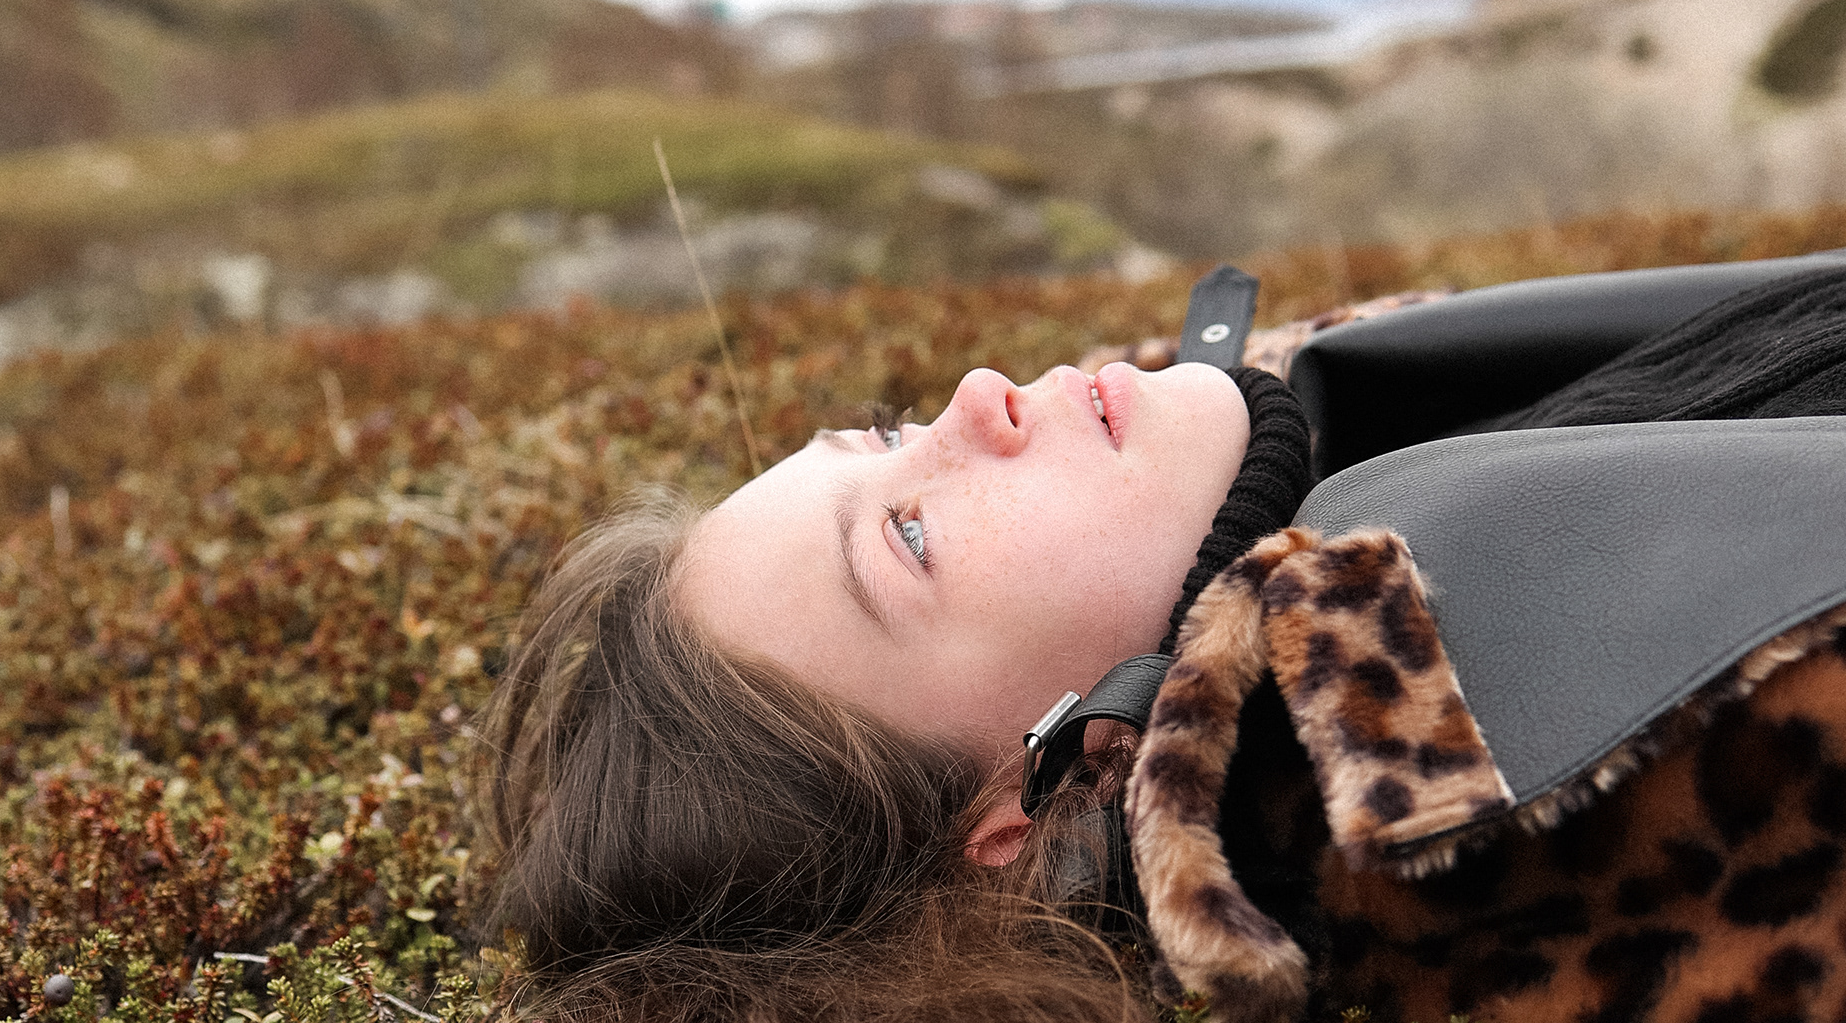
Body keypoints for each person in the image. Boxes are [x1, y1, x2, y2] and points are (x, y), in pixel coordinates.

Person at [475, 263, 1846, 1023]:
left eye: (886, 433)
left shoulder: (1358, 444)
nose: (977, 395)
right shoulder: (1459, 788)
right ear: (1022, 812)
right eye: (910, 536)